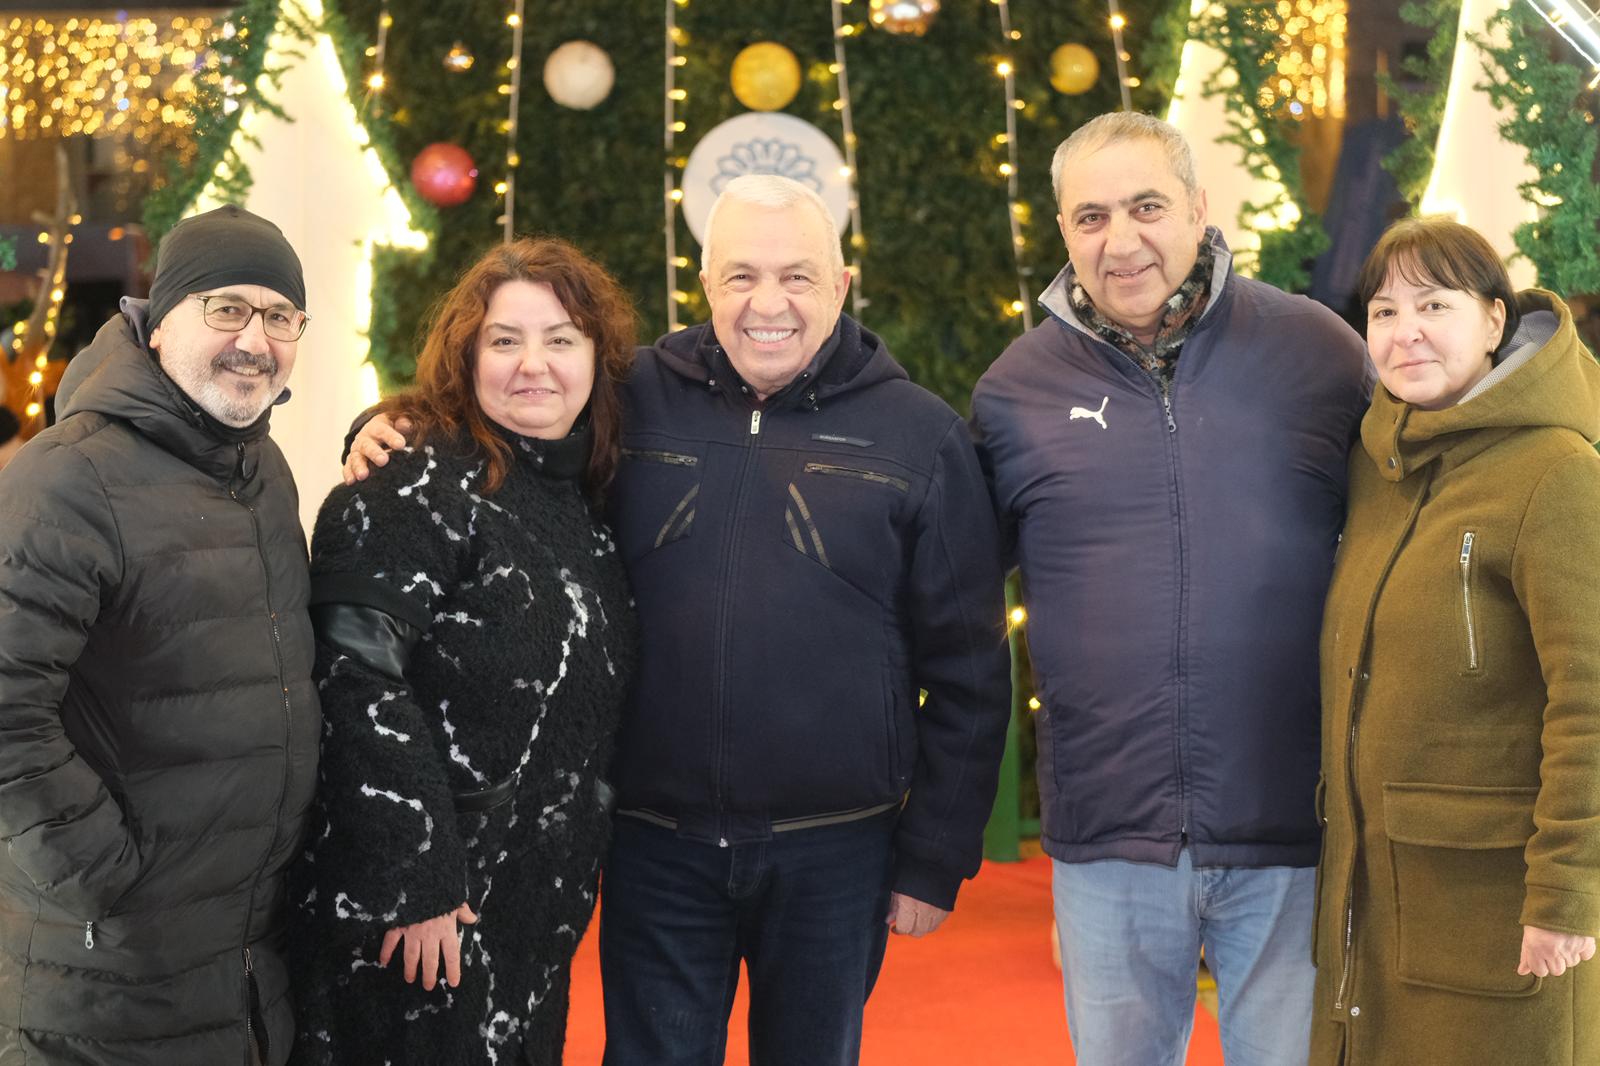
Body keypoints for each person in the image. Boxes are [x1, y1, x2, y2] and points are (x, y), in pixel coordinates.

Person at [346, 175, 1011, 1066]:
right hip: (656, 848)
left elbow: (970, 668)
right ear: (703, 284)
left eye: (797, 277)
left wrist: (935, 855)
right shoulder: (634, 396)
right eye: (740, 276)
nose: (767, 304)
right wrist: (390, 423)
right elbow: (509, 420)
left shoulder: (921, 435)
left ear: (842, 285)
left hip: (837, 851)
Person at [970, 112, 1373, 1066]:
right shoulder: (1016, 390)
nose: (1121, 241)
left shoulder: (1318, 353)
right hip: (1110, 838)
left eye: (1146, 207)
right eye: (1092, 217)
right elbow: (951, 592)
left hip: (1293, 830)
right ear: (1064, 231)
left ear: (1198, 208)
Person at [288, 238, 638, 1065]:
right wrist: (414, 883)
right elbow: (352, 677)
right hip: (418, 918)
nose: (533, 365)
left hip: (531, 912)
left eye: (561, 339)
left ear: (597, 359)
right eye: (505, 340)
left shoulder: (580, 496)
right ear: (467, 356)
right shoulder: (409, 479)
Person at [0, 205, 319, 1065]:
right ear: (159, 318)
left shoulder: (263, 469)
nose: (254, 340)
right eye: (227, 308)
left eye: (279, 316)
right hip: (104, 984)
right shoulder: (68, 478)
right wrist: (99, 876)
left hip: (240, 969)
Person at [1312, 216, 1600, 1065]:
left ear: (1495, 320)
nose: (1405, 332)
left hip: (1502, 915)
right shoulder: (1375, 466)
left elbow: (1591, 702)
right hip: (1371, 909)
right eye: (1384, 312)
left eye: (1434, 305)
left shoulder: (1558, 472)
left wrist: (1567, 891)